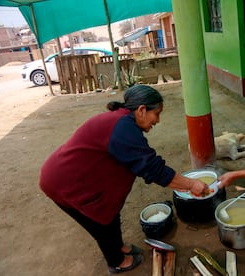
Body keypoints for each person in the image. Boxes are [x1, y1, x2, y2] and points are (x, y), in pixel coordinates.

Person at [39, 84, 209, 274]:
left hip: (74, 175)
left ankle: (118, 247)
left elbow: (143, 163)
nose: (158, 120)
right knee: (100, 221)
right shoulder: (122, 128)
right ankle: (116, 261)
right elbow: (153, 168)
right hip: (62, 181)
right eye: (157, 114)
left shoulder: (122, 122)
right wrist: (192, 184)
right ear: (142, 110)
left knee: (110, 209)